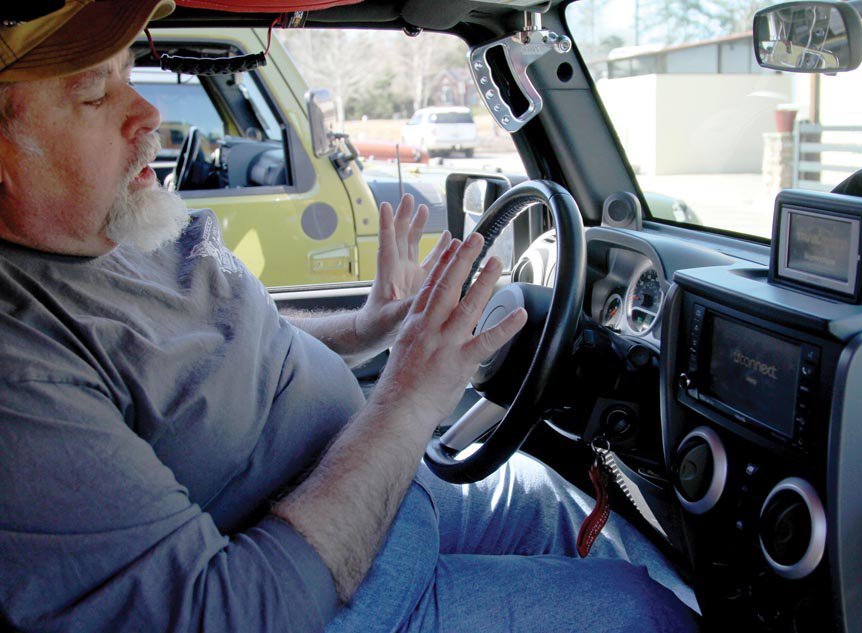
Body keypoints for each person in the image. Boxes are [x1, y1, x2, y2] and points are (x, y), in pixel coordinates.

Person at [0, 1, 698, 631]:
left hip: (379, 481)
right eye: (94, 93)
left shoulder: (117, 221)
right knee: (643, 614)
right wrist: (407, 398)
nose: (148, 113)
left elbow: (229, 344)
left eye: (130, 72)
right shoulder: (23, 370)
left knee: (542, 494)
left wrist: (369, 329)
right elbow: (223, 615)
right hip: (336, 590)